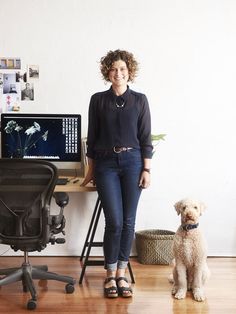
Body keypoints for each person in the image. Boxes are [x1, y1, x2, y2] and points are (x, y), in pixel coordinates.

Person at [81, 49, 153, 298]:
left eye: (122, 69)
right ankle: (109, 274)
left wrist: (146, 169)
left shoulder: (140, 100)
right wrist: (90, 170)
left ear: (129, 71)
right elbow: (92, 139)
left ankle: (122, 274)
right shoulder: (98, 100)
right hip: (106, 164)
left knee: (129, 222)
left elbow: (145, 138)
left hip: (133, 162)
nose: (118, 73)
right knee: (115, 221)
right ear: (107, 72)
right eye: (113, 69)